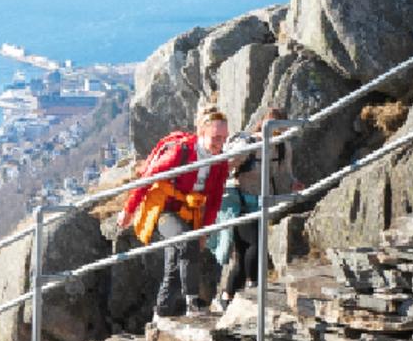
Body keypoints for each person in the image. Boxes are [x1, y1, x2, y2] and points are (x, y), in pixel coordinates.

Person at [125, 107, 232, 319]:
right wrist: (129, 209)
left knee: (174, 266)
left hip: (188, 213)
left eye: (224, 137)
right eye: (215, 137)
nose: (221, 143)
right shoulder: (182, 151)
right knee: (187, 241)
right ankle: (192, 301)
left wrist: (205, 231)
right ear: (201, 132)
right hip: (164, 209)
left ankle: (161, 314)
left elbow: (214, 201)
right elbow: (148, 177)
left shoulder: (220, 162)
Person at [209, 107, 302, 309]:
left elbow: (285, 172)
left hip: (261, 202)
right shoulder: (249, 144)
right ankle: (254, 287)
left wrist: (293, 183)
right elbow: (225, 166)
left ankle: (226, 296)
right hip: (240, 201)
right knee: (256, 245)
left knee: (244, 256)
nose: (278, 134)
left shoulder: (282, 146)